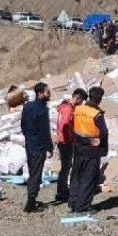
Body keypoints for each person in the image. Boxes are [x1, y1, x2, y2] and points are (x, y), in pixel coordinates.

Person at [69, 86, 108, 213]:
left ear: (90, 96)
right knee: (88, 179)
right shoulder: (97, 114)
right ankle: (83, 206)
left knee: (76, 177)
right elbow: (103, 133)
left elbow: (73, 127)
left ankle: (73, 203)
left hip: (78, 147)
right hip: (91, 150)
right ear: (100, 99)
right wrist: (103, 149)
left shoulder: (78, 109)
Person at [20, 82, 53, 213]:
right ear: (40, 94)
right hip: (38, 147)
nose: (49, 94)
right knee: (36, 175)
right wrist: (49, 146)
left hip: (30, 145)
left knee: (33, 171)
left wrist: (29, 137)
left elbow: (22, 125)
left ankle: (31, 200)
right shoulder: (43, 110)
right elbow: (45, 131)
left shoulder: (28, 106)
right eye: (47, 92)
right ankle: (30, 204)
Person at [54, 88, 88, 202]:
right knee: (66, 168)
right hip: (65, 143)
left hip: (63, 141)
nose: (81, 103)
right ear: (77, 98)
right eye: (81, 100)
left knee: (66, 167)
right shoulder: (68, 109)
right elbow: (64, 126)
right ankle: (61, 193)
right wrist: (69, 140)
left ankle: (62, 190)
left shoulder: (65, 107)